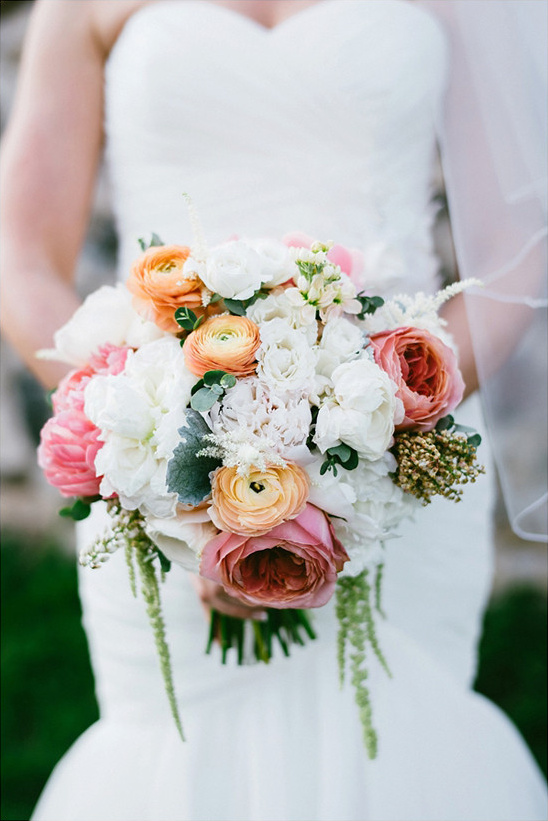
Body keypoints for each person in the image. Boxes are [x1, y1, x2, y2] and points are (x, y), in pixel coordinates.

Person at [1, 1, 546, 819]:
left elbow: (519, 247)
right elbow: (22, 250)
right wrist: (141, 438)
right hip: (153, 466)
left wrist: (389, 422)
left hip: (405, 458)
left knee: (405, 746)